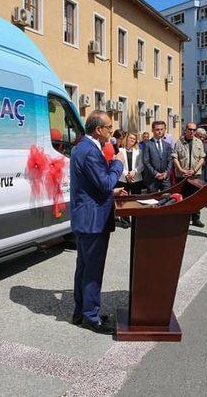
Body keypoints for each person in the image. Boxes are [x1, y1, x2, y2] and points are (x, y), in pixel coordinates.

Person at [70, 111, 127, 335]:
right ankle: (91, 317)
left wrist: (112, 190)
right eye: (109, 128)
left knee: (84, 268)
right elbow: (104, 183)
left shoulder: (83, 147)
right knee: (92, 270)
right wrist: (117, 164)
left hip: (86, 217)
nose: (111, 133)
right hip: (93, 220)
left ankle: (81, 311)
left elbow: (94, 185)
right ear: (98, 130)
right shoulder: (89, 150)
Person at [173, 122, 207, 227]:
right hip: (181, 175)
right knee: (182, 197)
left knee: (195, 197)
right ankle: (183, 219)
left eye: (193, 130)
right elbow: (175, 158)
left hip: (195, 175)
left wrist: (194, 170)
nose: (191, 131)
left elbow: (202, 158)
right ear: (186, 129)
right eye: (190, 129)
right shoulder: (179, 142)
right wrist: (181, 169)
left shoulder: (199, 142)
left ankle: (196, 219)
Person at [116, 132, 144, 228]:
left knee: (136, 200)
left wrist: (134, 172)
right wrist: (126, 174)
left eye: (134, 139)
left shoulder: (139, 151)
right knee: (124, 200)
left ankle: (137, 220)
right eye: (130, 138)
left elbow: (141, 165)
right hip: (123, 179)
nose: (132, 140)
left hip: (136, 179)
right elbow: (118, 164)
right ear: (126, 138)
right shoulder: (120, 150)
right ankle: (125, 221)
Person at [143, 121, 173, 193]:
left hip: (165, 178)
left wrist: (166, 173)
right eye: (157, 129)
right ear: (152, 130)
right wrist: (156, 174)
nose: (160, 131)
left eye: (161, 129)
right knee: (152, 201)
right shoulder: (148, 144)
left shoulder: (167, 145)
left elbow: (170, 160)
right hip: (152, 179)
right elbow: (146, 162)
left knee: (167, 199)